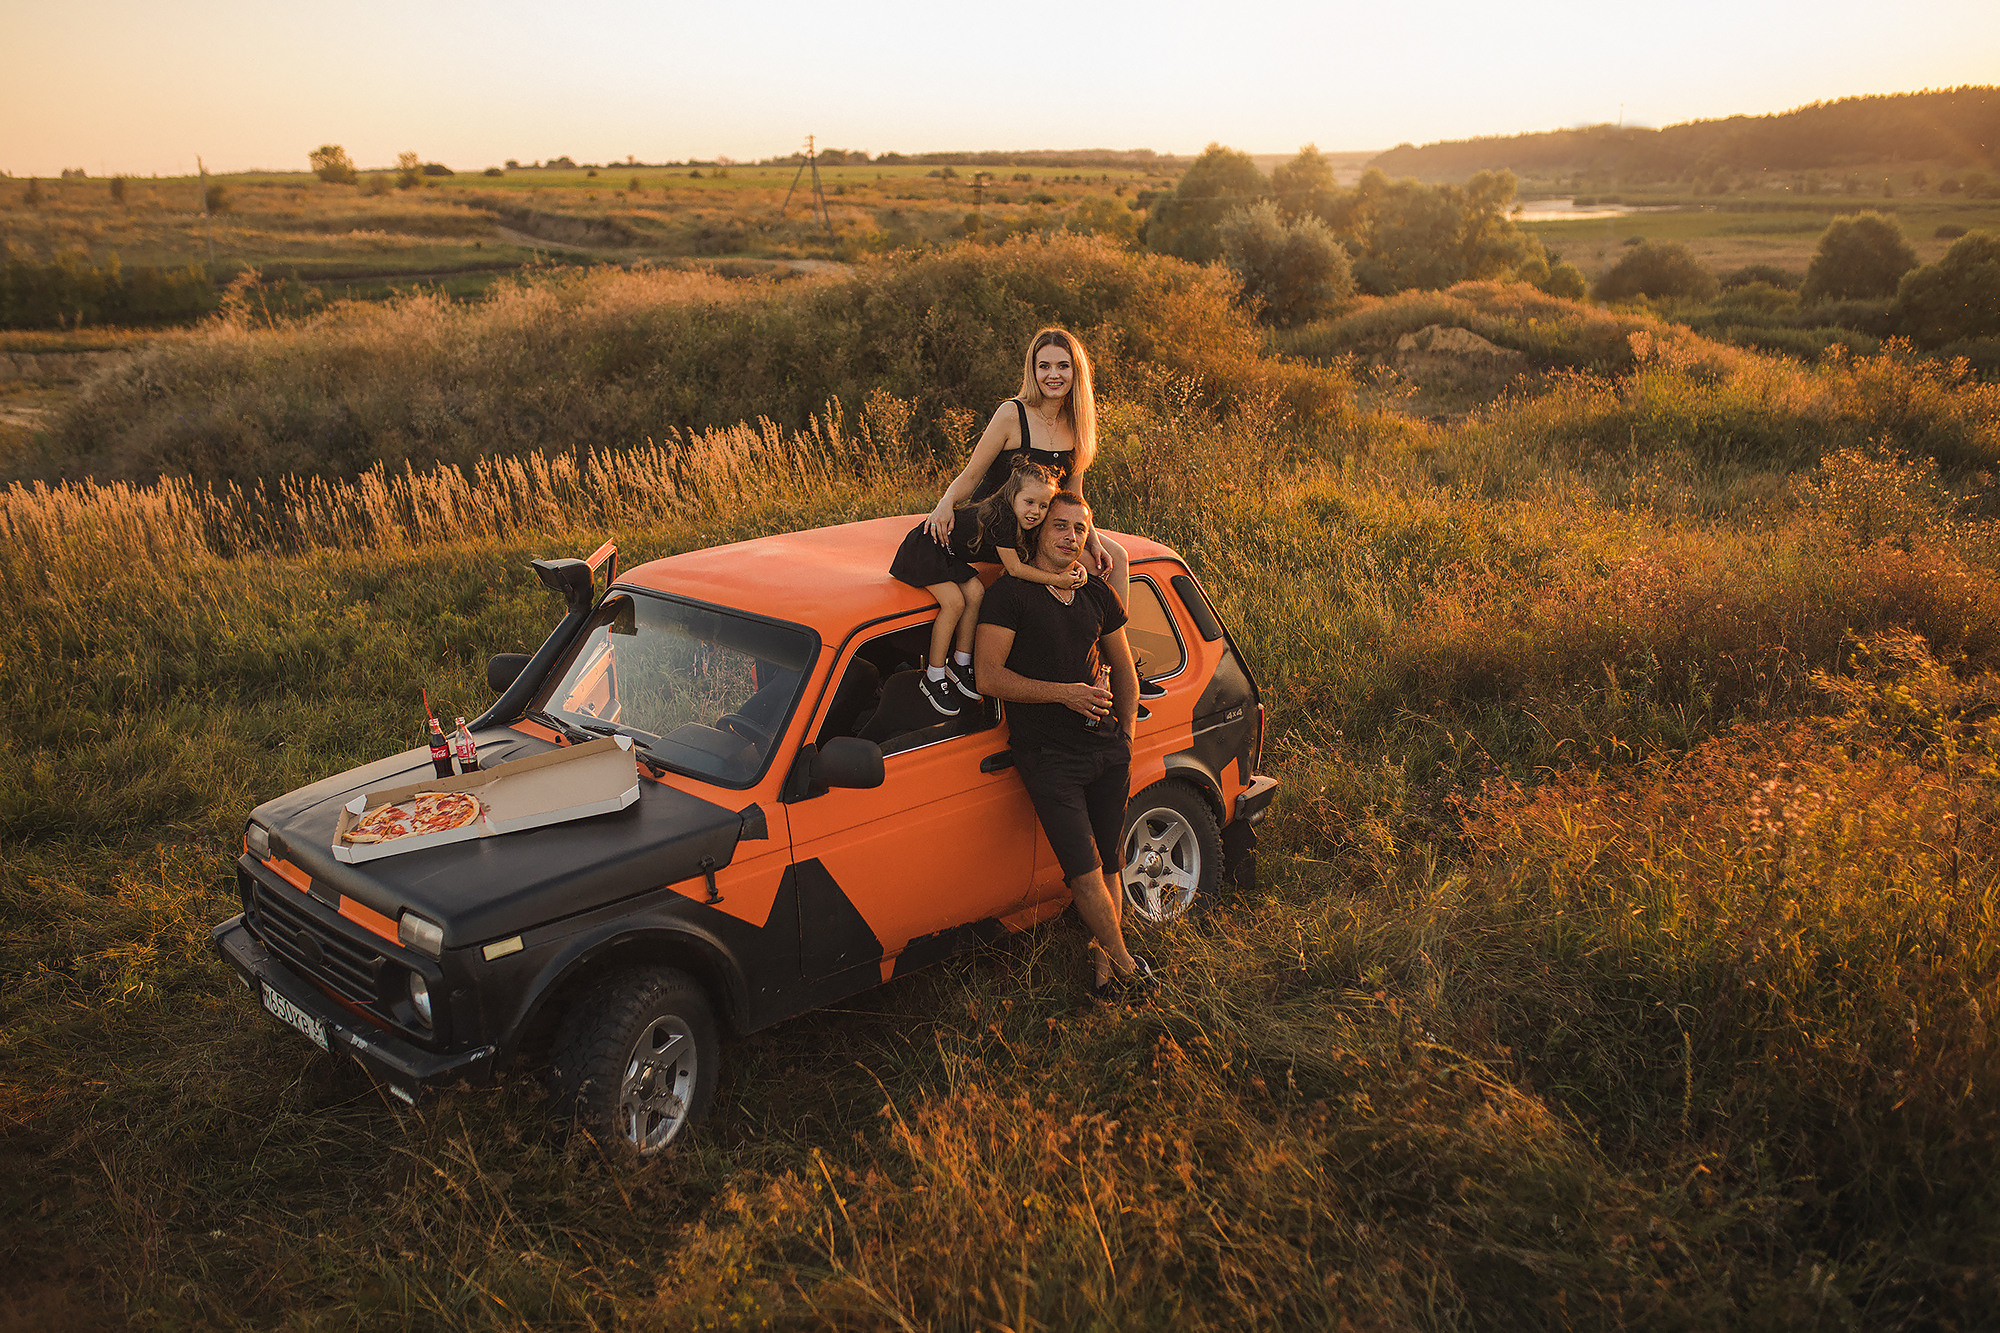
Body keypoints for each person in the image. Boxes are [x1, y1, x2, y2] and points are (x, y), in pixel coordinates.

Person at [975, 492, 1152, 999]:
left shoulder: (1096, 594)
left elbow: (1123, 667)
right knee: (1083, 870)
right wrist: (1065, 696)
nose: (1070, 536)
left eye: (1079, 528)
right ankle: (1127, 966)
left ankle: (1103, 979)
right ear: (1037, 531)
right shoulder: (1009, 595)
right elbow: (988, 676)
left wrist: (1127, 737)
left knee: (1111, 862)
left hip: (1107, 749)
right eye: (1060, 526)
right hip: (1048, 758)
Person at [922, 328, 1130, 611]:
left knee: (1116, 557)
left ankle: (1110, 651)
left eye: (1063, 366)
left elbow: (1073, 495)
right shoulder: (1011, 414)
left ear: (1075, 371)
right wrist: (946, 503)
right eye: (1044, 366)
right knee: (1080, 570)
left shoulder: (1077, 422)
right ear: (1032, 371)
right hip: (999, 525)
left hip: (1041, 523)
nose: (1053, 375)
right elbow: (972, 475)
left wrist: (1092, 541)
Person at [888, 462, 1081, 715]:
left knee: (976, 593)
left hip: (948, 554)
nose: (1036, 511)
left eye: (1043, 506)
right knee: (954, 602)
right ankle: (933, 675)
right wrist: (1058, 581)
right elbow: (1015, 569)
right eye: (1029, 502)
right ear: (1013, 496)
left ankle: (960, 663)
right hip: (925, 546)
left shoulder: (1025, 522)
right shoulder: (1004, 518)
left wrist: (1076, 565)